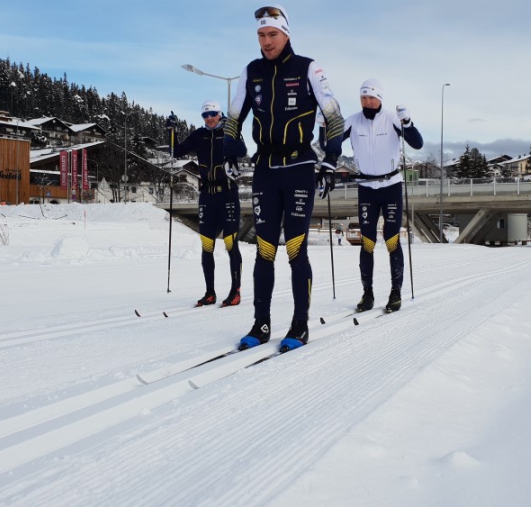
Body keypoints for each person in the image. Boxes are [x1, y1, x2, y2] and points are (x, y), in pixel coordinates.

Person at [223, 5, 345, 351]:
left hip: (299, 169)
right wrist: (233, 151)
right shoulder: (252, 71)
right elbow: (234, 117)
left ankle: (299, 324)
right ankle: (261, 324)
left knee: (295, 249)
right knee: (264, 250)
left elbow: (333, 115)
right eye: (261, 35)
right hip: (265, 170)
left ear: (286, 34)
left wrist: (331, 159)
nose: (266, 41)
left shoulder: (308, 68)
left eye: (272, 34)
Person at [343, 79, 423, 313]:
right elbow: (331, 143)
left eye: (371, 97)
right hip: (366, 187)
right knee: (367, 241)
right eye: (363, 98)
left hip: (391, 186)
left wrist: (407, 123)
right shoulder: (353, 121)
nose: (367, 102)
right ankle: (367, 294)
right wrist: (323, 127)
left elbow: (417, 144)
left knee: (391, 239)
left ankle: (395, 292)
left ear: (380, 98)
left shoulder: (392, 118)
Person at [169, 101, 243, 308]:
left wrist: (233, 131)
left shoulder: (229, 130)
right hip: (207, 196)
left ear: (219, 114)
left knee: (230, 243)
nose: (209, 118)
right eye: (205, 115)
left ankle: (235, 291)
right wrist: (171, 131)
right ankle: (210, 293)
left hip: (228, 193)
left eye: (212, 114)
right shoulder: (199, 135)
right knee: (207, 245)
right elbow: (176, 152)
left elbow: (242, 150)